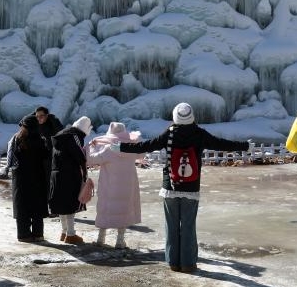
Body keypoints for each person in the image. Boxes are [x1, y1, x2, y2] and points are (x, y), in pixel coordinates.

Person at [114, 102, 250, 274]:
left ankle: (173, 262)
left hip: (170, 186)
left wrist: (121, 147)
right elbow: (222, 144)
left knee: (171, 225)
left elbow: (146, 146)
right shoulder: (199, 134)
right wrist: (244, 146)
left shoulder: (169, 133)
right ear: (192, 116)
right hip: (191, 187)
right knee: (188, 226)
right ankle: (188, 264)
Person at [86, 121, 143, 248]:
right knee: (124, 210)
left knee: (105, 210)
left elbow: (91, 159)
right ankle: (120, 240)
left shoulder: (109, 149)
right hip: (128, 185)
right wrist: (137, 139)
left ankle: (101, 239)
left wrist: (92, 147)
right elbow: (142, 154)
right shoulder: (131, 148)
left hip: (109, 186)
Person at [49, 116, 93, 244]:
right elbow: (80, 156)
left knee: (62, 203)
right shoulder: (74, 136)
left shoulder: (60, 136)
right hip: (70, 175)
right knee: (70, 204)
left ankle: (64, 232)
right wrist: (85, 172)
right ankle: (71, 234)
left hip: (56, 173)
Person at [9, 113, 51, 242]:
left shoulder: (17, 139)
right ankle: (38, 234)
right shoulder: (40, 140)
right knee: (37, 207)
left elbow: (12, 159)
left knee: (23, 207)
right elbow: (46, 156)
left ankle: (24, 235)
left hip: (20, 179)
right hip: (37, 177)